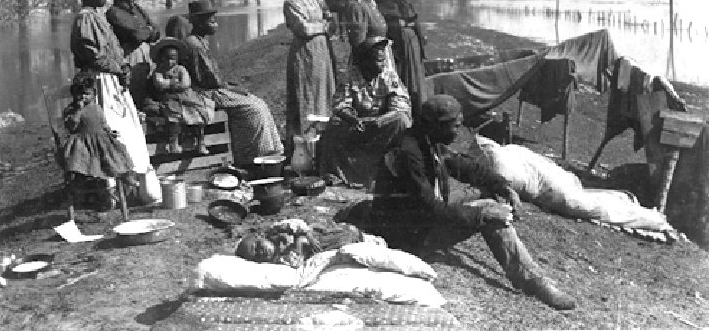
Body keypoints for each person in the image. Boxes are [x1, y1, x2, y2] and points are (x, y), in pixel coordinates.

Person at [368, 95, 576, 310]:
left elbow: (464, 167)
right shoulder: (410, 153)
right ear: (437, 125)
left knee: (485, 194)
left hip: (413, 220)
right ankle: (533, 281)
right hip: (405, 237)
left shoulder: (425, 139)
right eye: (455, 126)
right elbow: (429, 208)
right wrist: (482, 215)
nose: (458, 131)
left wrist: (502, 186)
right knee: (488, 210)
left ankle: (524, 266)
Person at [182, 0, 283, 168]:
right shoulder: (194, 45)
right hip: (202, 93)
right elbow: (209, 81)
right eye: (211, 20)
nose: (216, 24)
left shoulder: (201, 41)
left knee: (260, 103)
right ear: (198, 22)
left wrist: (231, 87)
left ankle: (272, 153)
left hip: (211, 88)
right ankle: (250, 157)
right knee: (253, 109)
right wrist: (231, 88)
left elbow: (213, 77)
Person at [70, 0, 151, 179]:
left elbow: (111, 50)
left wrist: (121, 67)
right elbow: (93, 56)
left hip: (110, 79)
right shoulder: (85, 19)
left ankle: (129, 176)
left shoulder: (97, 16)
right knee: (111, 129)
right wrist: (119, 69)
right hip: (99, 81)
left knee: (125, 126)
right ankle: (112, 181)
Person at [319, 36, 412, 188]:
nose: (382, 64)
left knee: (402, 120)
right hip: (357, 124)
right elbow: (340, 104)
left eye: (383, 60)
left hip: (382, 123)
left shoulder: (389, 76)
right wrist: (352, 119)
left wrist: (381, 120)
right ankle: (338, 173)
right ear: (365, 61)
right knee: (335, 123)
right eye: (378, 60)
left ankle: (397, 170)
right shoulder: (350, 76)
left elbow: (400, 105)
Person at [283, 0, 336, 159]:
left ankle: (324, 144)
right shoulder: (291, 3)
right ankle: (302, 151)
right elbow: (303, 29)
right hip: (304, 55)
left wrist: (323, 24)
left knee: (324, 93)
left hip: (322, 53)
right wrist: (323, 25)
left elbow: (331, 20)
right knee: (305, 96)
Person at [60, 72, 137, 184]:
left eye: (87, 94)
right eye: (79, 94)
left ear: (93, 94)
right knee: (78, 157)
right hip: (82, 141)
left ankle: (124, 173)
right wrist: (78, 111)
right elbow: (71, 127)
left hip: (101, 139)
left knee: (118, 151)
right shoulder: (71, 109)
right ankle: (81, 177)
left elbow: (103, 123)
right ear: (73, 94)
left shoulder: (96, 108)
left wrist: (109, 131)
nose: (83, 97)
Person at [144, 37, 215, 155]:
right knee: (173, 113)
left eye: (172, 58)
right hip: (169, 98)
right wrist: (174, 83)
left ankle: (200, 141)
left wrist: (171, 84)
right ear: (161, 58)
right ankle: (173, 143)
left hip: (186, 97)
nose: (169, 62)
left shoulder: (181, 69)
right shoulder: (158, 71)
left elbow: (186, 84)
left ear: (177, 59)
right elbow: (160, 84)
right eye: (165, 58)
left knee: (200, 111)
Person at [376, 0, 427, 119]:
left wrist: (420, 38)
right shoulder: (382, 5)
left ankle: (418, 107)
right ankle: (401, 110)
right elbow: (383, 26)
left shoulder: (406, 3)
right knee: (399, 74)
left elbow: (415, 21)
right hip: (396, 46)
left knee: (415, 75)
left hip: (412, 44)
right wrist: (399, 25)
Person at [105, 0, 161, 106]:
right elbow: (135, 36)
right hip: (130, 58)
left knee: (149, 90)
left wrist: (146, 32)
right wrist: (148, 30)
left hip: (147, 57)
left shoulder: (138, 9)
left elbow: (157, 32)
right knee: (134, 95)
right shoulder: (114, 12)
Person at [235, 218, 364, 268]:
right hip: (314, 250)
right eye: (257, 255)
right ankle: (352, 238)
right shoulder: (278, 259)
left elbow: (297, 223)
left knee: (342, 231)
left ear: (260, 236)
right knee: (344, 241)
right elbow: (295, 262)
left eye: (257, 246)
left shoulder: (274, 230)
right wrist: (299, 243)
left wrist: (307, 234)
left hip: (315, 235)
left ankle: (351, 233)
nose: (261, 252)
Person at [345, 0, 395, 72]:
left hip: (380, 54)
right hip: (370, 57)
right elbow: (358, 39)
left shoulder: (373, 5)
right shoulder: (359, 7)